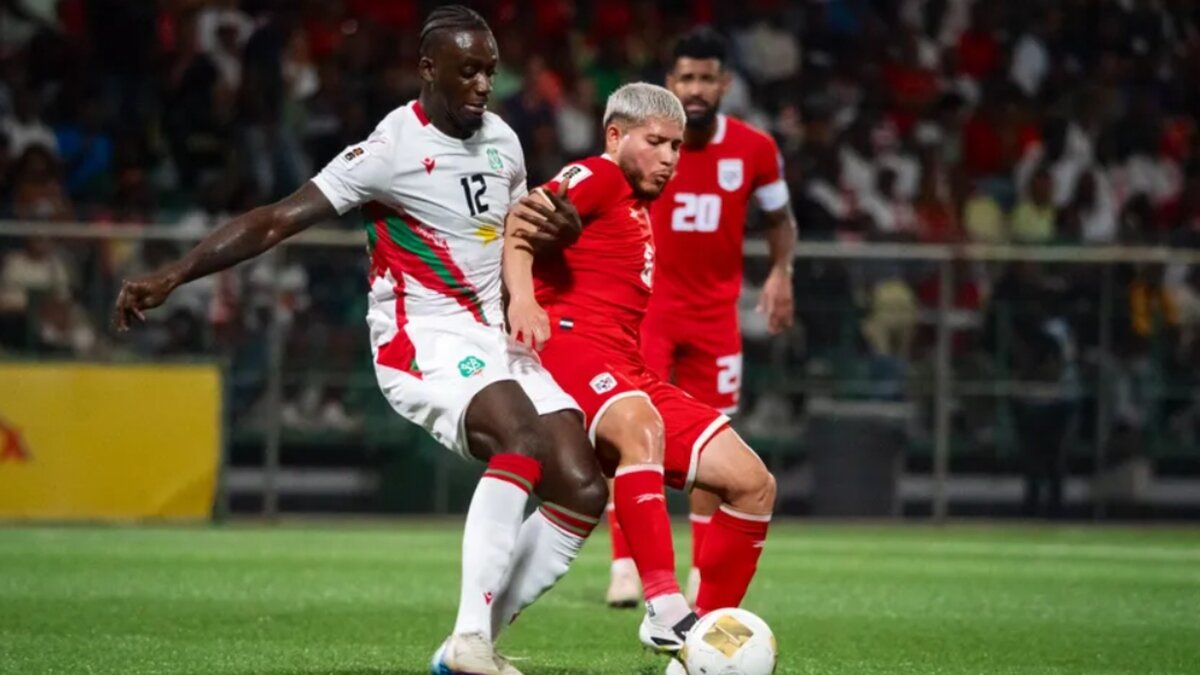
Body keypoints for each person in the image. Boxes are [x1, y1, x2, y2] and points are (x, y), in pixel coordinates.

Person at [113, 7, 606, 675]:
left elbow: (517, 232)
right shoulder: (390, 149)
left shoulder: (504, 140)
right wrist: (173, 273)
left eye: (490, 70)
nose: (484, 85)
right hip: (422, 337)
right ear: (428, 69)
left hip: (495, 336)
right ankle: (470, 641)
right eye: (468, 71)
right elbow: (274, 222)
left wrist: (561, 234)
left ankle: (469, 646)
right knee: (518, 435)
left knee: (581, 485)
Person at [504, 83, 777, 655]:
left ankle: (703, 645)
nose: (670, 157)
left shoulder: (634, 202)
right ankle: (665, 607)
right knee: (639, 424)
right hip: (570, 345)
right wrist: (523, 301)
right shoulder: (598, 175)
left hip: (627, 365)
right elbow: (521, 221)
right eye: (655, 142)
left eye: (676, 146)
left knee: (752, 483)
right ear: (615, 136)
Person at [604, 27, 797, 609]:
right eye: (686, 77)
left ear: (725, 83)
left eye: (706, 78)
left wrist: (781, 272)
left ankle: (698, 577)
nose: (695, 88)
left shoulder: (755, 150)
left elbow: (779, 219)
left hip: (716, 320)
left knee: (713, 445)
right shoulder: (650, 144)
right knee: (631, 432)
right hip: (649, 313)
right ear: (670, 82)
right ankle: (624, 567)